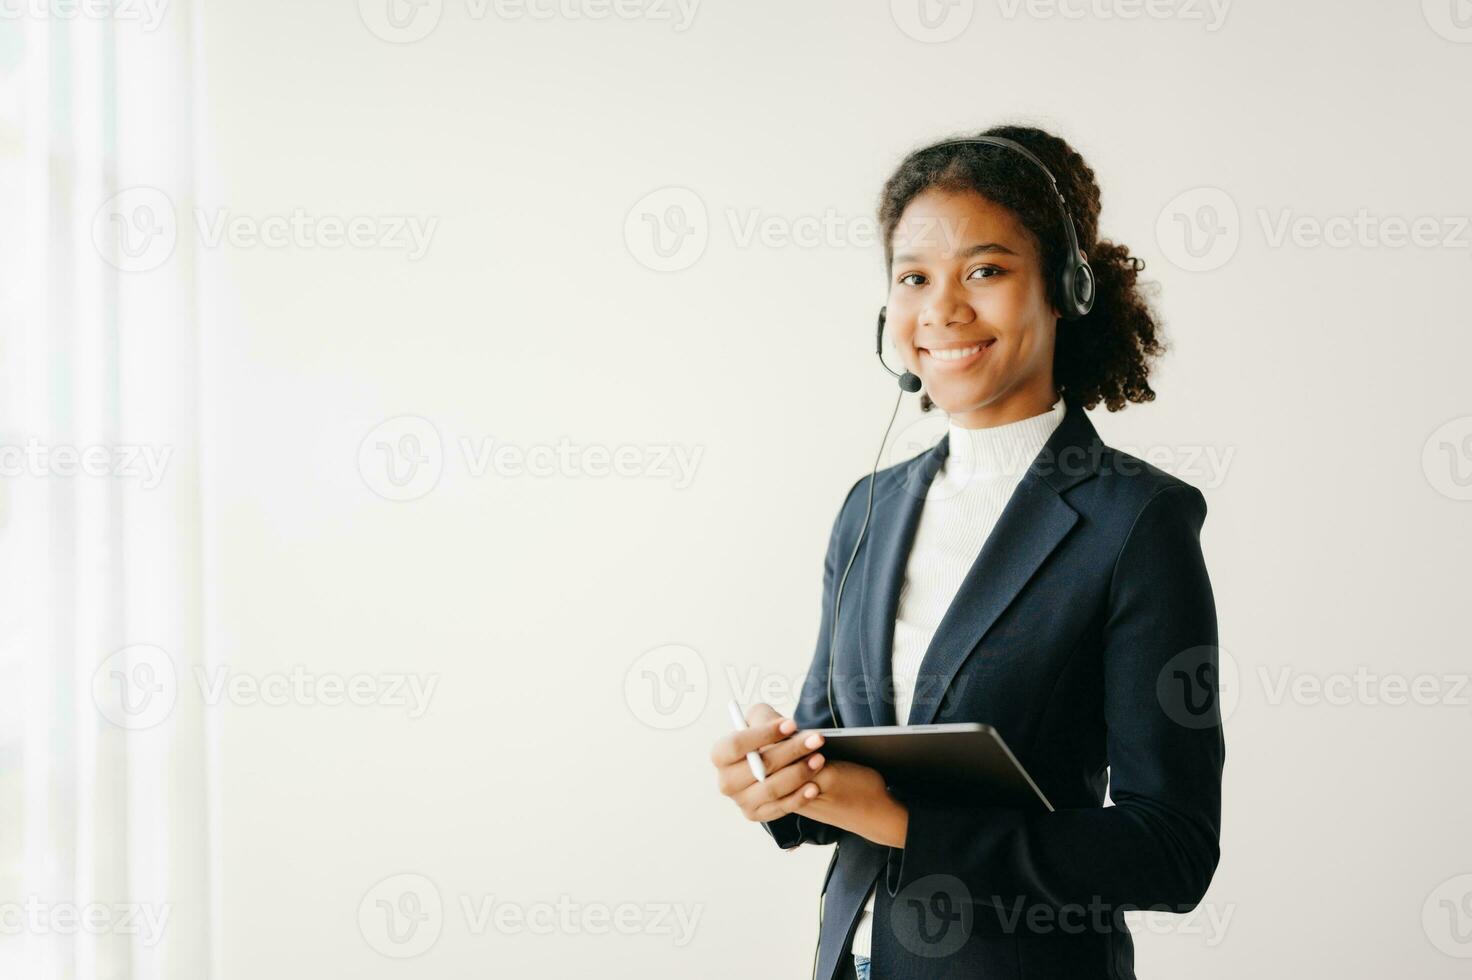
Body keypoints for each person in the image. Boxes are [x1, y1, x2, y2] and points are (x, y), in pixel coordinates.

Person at [709, 124, 1225, 979]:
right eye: (914, 278)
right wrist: (779, 779)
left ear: (1064, 289)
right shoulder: (868, 507)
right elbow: (836, 758)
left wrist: (908, 824)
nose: (943, 309)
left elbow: (1170, 850)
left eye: (985, 270)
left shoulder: (1138, 520)